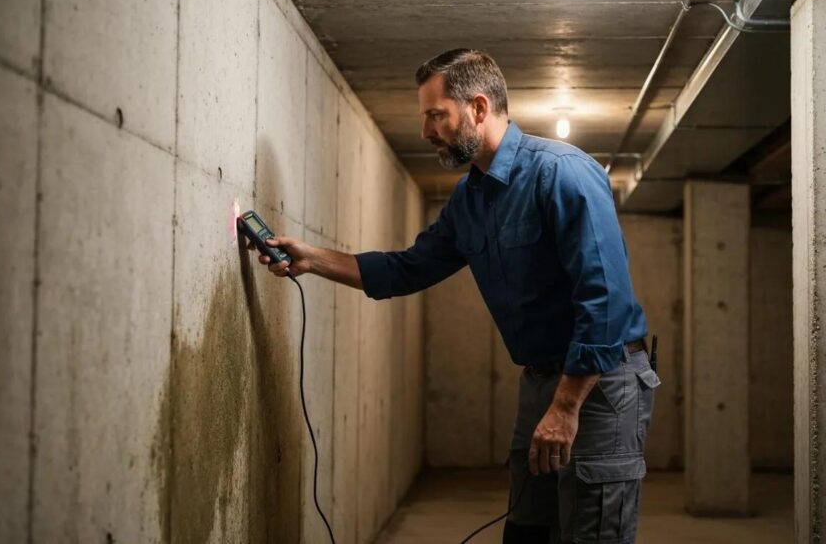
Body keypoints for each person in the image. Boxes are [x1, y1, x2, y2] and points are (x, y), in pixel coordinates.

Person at [248, 48, 658, 544]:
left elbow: (606, 301)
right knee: (529, 531)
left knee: (593, 533)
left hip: (599, 384)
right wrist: (313, 259)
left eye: (435, 115)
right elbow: (409, 267)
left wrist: (566, 406)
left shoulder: (562, 174)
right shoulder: (472, 198)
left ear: (478, 108)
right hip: (543, 382)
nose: (426, 132)